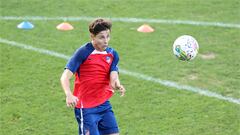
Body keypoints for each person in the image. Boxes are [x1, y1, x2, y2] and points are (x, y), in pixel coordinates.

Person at [60, 18, 125, 135]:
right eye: (101, 37)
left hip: (104, 104)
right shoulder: (83, 52)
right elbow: (65, 77)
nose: (106, 41)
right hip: (86, 108)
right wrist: (69, 95)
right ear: (92, 36)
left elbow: (113, 75)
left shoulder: (112, 54)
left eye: (108, 36)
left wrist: (117, 84)